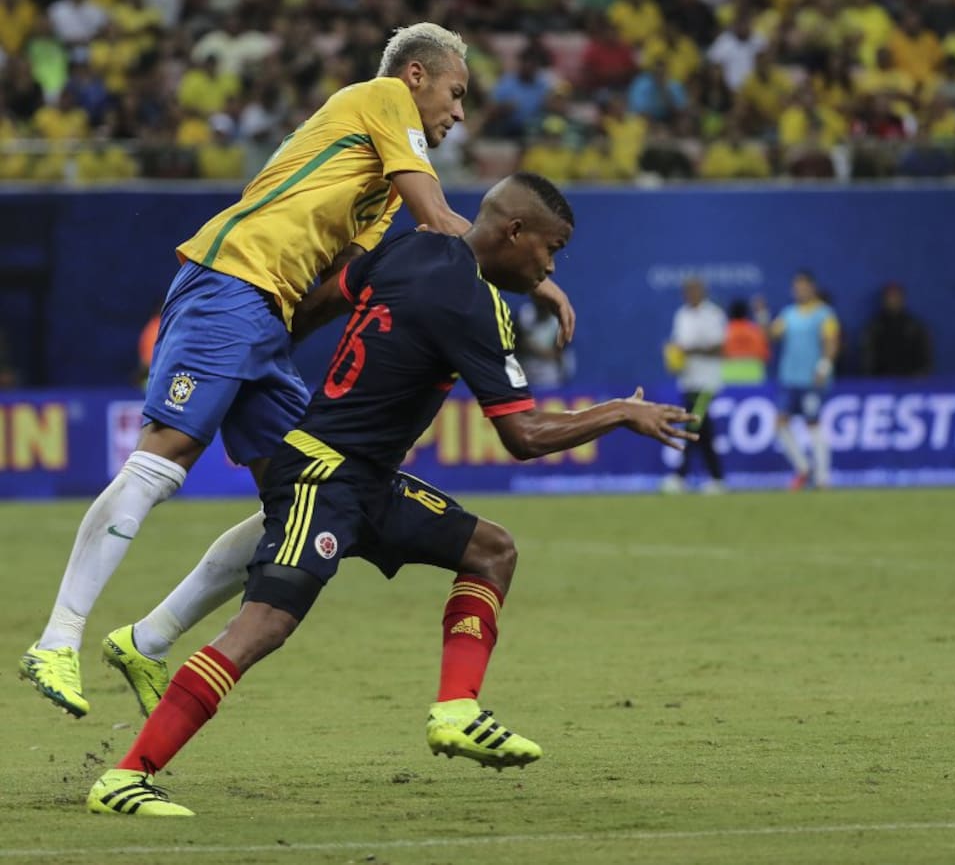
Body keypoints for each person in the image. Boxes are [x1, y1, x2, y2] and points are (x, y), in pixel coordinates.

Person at [85, 173, 695, 817]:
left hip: (366, 478)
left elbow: (319, 303)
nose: (551, 267)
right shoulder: (476, 307)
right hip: (324, 478)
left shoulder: (409, 247)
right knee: (261, 627)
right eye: (552, 249)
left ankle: (456, 709)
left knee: (490, 551)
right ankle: (125, 777)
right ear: (516, 232)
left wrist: (274, 367)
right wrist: (618, 413)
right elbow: (523, 436)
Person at [20, 23, 576, 721]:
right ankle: (57, 638)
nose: (459, 113)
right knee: (167, 456)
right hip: (231, 279)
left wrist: (306, 354)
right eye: (455, 93)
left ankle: (147, 640)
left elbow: (343, 287)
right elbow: (440, 222)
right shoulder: (382, 98)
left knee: (302, 489)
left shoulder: (377, 192)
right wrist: (530, 278)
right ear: (415, 76)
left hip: (267, 317)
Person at [771, 271, 839, 490]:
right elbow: (772, 335)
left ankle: (823, 477)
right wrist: (762, 317)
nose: (799, 291)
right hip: (789, 378)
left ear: (812, 288)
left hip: (812, 379)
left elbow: (831, 341)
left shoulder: (824, 314)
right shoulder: (788, 314)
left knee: (813, 423)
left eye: (803, 286)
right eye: (796, 287)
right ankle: (803, 468)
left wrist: (824, 365)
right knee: (780, 424)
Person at [662, 278, 727, 494]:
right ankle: (716, 479)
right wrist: (673, 358)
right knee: (701, 430)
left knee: (693, 426)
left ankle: (680, 476)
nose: (690, 294)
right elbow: (677, 345)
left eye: (694, 290)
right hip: (688, 381)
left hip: (707, 382)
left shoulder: (714, 314)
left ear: (703, 292)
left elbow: (718, 347)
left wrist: (689, 351)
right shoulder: (681, 314)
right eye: (687, 291)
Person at [861, 282, 932, 377]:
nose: (892, 301)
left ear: (902, 299)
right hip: (881, 380)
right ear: (883, 300)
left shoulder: (915, 327)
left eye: (896, 297)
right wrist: (872, 378)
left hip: (911, 380)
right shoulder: (874, 328)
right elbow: (867, 359)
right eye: (889, 297)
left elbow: (926, 358)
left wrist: (920, 374)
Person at [722, 297, 770, 385]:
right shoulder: (755, 331)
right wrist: (762, 313)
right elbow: (764, 354)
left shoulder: (725, 332)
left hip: (730, 374)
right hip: (753, 374)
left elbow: (720, 354)